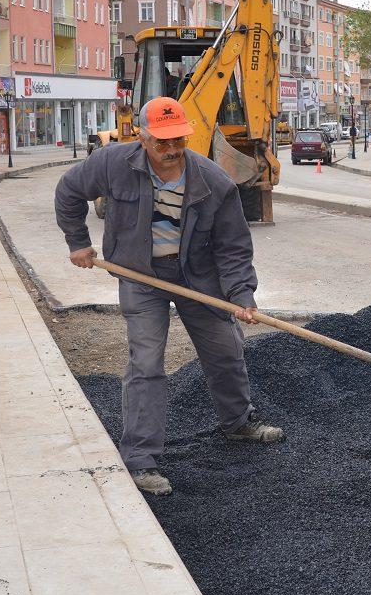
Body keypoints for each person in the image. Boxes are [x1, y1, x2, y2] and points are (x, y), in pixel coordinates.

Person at [55, 97, 284, 497]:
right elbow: (69, 191)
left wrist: (242, 294)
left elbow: (232, 247)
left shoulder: (214, 182)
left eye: (178, 140)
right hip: (140, 274)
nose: (172, 150)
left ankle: (238, 423)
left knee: (226, 349)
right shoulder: (112, 163)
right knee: (146, 362)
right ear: (143, 138)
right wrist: (78, 242)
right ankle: (141, 459)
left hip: (198, 277)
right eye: (162, 142)